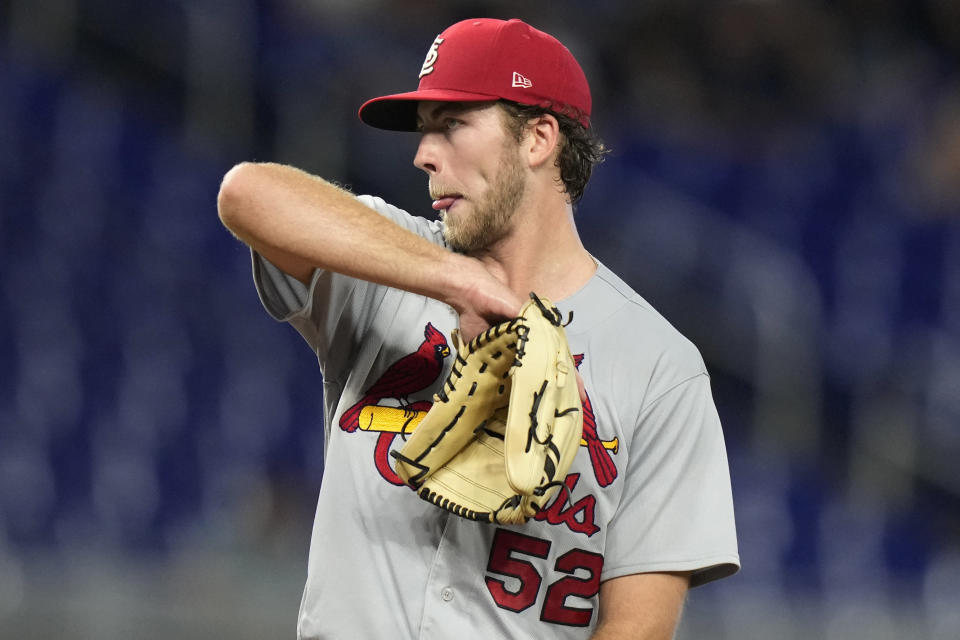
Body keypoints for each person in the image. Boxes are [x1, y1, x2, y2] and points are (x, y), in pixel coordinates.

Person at [217, 17, 739, 640]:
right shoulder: (388, 262)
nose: (422, 154)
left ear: (539, 138)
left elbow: (638, 629)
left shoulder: (660, 368)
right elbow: (247, 193)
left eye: (451, 125)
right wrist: (456, 280)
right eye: (423, 130)